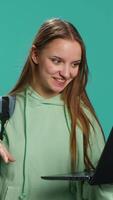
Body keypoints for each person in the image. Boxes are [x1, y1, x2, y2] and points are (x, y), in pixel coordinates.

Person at [0, 18, 113, 200]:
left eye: (75, 64)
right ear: (35, 55)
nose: (67, 73)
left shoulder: (83, 117)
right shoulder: (4, 111)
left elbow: (101, 188)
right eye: (57, 61)